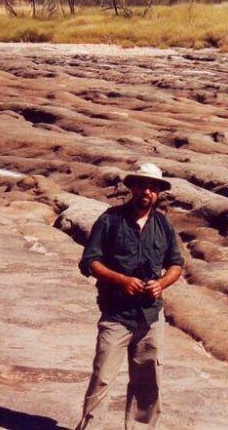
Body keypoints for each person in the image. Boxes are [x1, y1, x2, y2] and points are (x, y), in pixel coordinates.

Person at [75, 162, 184, 430]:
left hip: (150, 316)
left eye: (153, 187)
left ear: (158, 193)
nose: (147, 191)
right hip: (116, 314)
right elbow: (90, 261)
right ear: (132, 187)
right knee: (102, 376)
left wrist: (162, 284)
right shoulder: (110, 219)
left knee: (148, 381)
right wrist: (122, 280)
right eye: (142, 185)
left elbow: (176, 264)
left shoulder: (163, 225)